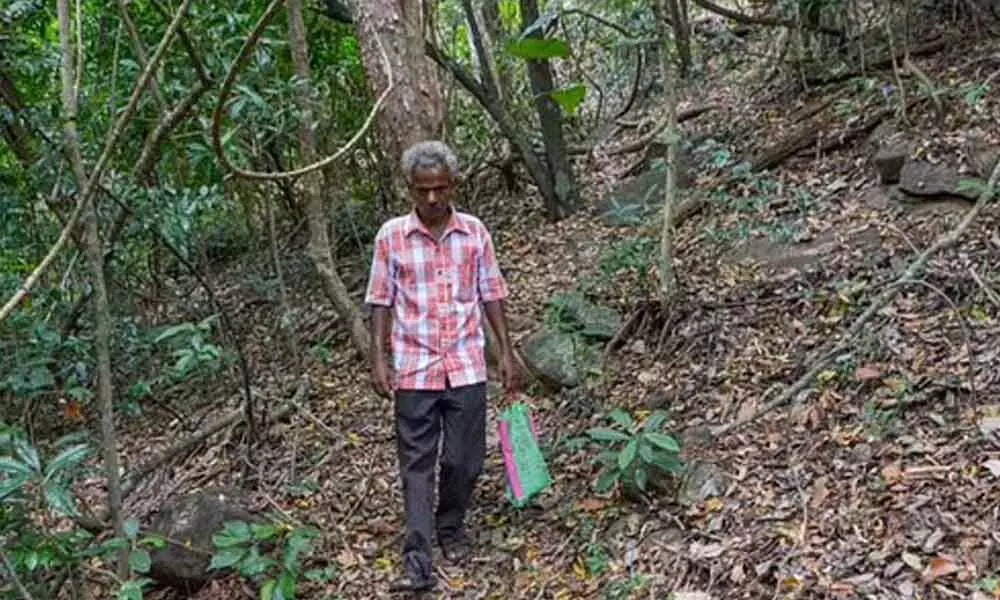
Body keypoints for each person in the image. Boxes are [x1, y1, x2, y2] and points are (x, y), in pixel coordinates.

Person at [364, 140, 522, 593]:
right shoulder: (390, 236)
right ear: (409, 190)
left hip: (467, 365)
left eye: (440, 189)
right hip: (414, 368)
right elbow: (380, 300)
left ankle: (450, 525)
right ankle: (418, 556)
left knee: (464, 460)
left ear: (454, 185)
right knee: (416, 464)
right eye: (422, 190)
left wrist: (506, 352)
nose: (432, 199)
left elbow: (492, 294)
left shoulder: (474, 233)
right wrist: (378, 359)